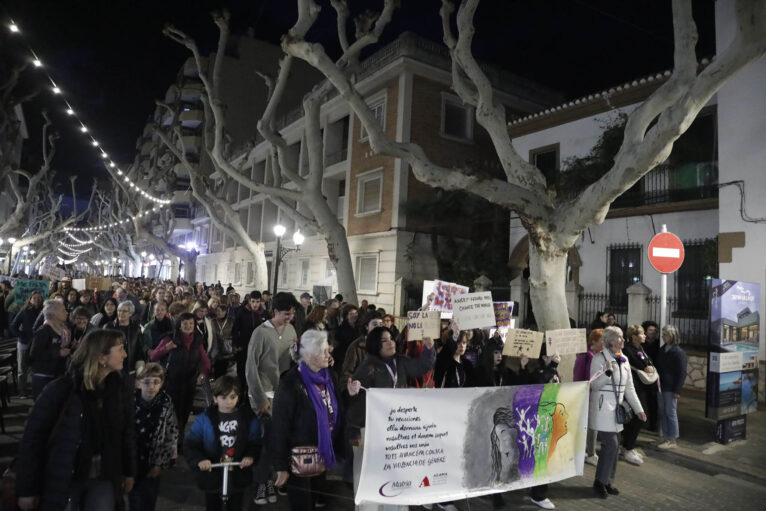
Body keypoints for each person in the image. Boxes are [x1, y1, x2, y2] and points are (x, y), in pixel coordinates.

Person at [16, 329, 136, 511]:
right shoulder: (61, 391)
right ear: (102, 358)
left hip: (103, 475)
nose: (125, 354)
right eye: (120, 349)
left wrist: (129, 471)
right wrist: (27, 489)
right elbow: (32, 440)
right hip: (63, 478)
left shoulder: (119, 389)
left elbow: (126, 432)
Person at [347, 327, 435, 509]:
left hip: (395, 430)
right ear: (375, 346)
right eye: (384, 340)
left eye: (391, 339)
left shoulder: (400, 361)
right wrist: (352, 391)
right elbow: (354, 393)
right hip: (371, 432)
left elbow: (422, 367)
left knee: (396, 474)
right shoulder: (368, 367)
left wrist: (428, 348)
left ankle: (396, 506)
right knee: (370, 474)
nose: (391, 343)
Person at [272, 330, 342, 510]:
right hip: (300, 457)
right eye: (324, 351)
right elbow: (280, 427)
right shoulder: (290, 383)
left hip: (323, 452)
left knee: (314, 501)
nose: (329, 355)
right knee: (302, 505)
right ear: (309, 355)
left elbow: (336, 410)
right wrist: (280, 465)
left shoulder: (329, 377)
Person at [246, 292, 299, 506]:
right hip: (264, 395)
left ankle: (276, 479)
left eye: (293, 314)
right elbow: (251, 368)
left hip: (283, 394)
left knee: (281, 441)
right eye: (287, 314)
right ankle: (262, 484)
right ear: (275, 311)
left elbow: (293, 356)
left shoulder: (291, 329)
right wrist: (259, 400)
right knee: (267, 443)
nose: (290, 318)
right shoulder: (260, 333)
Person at [185, 375, 260, 511]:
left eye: (233, 397)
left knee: (236, 505)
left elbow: (255, 442)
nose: (228, 402)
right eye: (223, 398)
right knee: (213, 505)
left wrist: (250, 456)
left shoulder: (247, 419)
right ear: (215, 398)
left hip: (238, 473)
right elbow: (192, 443)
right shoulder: (205, 418)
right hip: (213, 472)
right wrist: (200, 459)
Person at [589, 326, 646, 499]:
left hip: (617, 411)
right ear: (610, 341)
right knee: (612, 445)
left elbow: (629, 388)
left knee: (614, 446)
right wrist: (607, 372)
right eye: (619, 337)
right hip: (602, 409)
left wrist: (639, 410)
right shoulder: (599, 359)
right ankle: (600, 482)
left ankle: (606, 482)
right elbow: (594, 385)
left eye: (622, 337)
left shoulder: (625, 360)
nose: (622, 340)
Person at [150, 312, 211, 448]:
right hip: (171, 383)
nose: (188, 326)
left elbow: (204, 359)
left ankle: (179, 441)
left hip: (189, 383)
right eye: (185, 324)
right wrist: (167, 348)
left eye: (191, 324)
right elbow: (153, 356)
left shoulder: (197, 339)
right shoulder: (169, 338)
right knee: (171, 413)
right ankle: (168, 442)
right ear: (179, 325)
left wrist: (203, 373)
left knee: (184, 412)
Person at [130, 363, 179, 511]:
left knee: (149, 497)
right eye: (146, 382)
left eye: (156, 382)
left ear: (162, 383)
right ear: (138, 383)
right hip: (134, 458)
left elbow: (172, 433)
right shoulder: (131, 402)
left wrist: (160, 463)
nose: (151, 386)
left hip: (153, 460)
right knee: (134, 497)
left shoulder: (166, 404)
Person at [526, 346, 561, 510]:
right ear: (543, 357)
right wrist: (552, 367)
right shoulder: (538, 372)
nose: (554, 357)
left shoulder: (551, 371)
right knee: (540, 457)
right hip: (538, 420)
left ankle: (538, 490)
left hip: (549, 418)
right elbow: (539, 387)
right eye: (550, 355)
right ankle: (538, 494)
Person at [620, 324, 657, 465]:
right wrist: (647, 366)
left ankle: (628, 445)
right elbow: (645, 366)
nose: (645, 336)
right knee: (638, 417)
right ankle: (627, 447)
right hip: (633, 388)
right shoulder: (629, 349)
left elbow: (649, 363)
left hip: (641, 388)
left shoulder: (640, 348)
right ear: (634, 336)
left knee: (640, 417)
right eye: (642, 334)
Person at [573, 329, 604, 466]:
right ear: (594, 342)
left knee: (594, 425)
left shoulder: (602, 356)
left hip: (597, 396)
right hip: (587, 397)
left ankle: (591, 452)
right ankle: (588, 453)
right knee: (588, 426)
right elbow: (578, 379)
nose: (605, 343)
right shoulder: (584, 357)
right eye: (602, 340)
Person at [29, 299, 72, 399]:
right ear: (54, 315)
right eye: (63, 310)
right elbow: (34, 354)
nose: (66, 313)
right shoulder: (44, 331)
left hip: (55, 373)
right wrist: (58, 353)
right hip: (43, 376)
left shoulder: (62, 329)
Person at [655, 324, 688, 449]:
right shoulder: (663, 349)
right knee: (663, 412)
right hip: (660, 386)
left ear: (673, 336)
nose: (663, 337)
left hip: (670, 388)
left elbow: (682, 373)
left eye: (666, 335)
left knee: (670, 412)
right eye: (663, 335)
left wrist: (677, 390)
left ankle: (672, 439)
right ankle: (665, 436)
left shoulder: (679, 353)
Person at [10, 290, 43, 397]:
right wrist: (22, 335)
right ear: (30, 299)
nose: (37, 300)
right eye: (34, 298)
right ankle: (21, 391)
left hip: (37, 344)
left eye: (39, 298)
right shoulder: (24, 311)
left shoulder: (43, 312)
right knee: (22, 369)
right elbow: (13, 326)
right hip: (24, 343)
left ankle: (36, 390)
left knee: (35, 369)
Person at [232, 291, 267, 393]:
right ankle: (240, 394)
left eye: (257, 301)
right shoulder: (242, 312)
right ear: (249, 301)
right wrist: (235, 345)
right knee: (242, 372)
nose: (255, 304)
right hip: (243, 347)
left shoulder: (264, 313)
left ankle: (250, 394)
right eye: (253, 301)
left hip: (258, 348)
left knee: (255, 372)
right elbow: (235, 330)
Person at [107, 301, 146, 382]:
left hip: (129, 366)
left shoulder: (136, 329)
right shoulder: (109, 327)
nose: (121, 313)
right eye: (119, 310)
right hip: (112, 366)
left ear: (130, 313)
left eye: (124, 311)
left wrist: (139, 367)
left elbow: (139, 349)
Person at [341, 315, 383, 383]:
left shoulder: (385, 344)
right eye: (375, 324)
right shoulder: (356, 346)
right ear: (366, 326)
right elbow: (346, 373)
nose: (378, 328)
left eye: (381, 325)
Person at [210, 305, 235, 378]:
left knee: (225, 370)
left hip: (227, 348)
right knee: (217, 369)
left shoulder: (231, 321)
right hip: (216, 348)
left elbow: (234, 333)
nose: (218, 313)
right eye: (217, 311)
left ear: (225, 312)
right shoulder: (213, 321)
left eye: (220, 311)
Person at [334, 304, 359, 369]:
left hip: (357, 357)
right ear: (346, 316)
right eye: (351, 314)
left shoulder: (359, 326)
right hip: (345, 358)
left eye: (356, 313)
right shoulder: (342, 328)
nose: (354, 315)